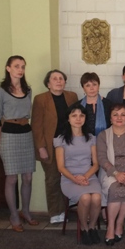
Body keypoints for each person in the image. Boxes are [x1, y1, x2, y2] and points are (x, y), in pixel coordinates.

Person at [0, 55, 37, 232]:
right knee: (11, 178)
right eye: (17, 66)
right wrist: (0, 143)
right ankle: (14, 215)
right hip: (9, 135)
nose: (20, 70)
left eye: (23, 66)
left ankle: (25, 211)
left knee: (28, 177)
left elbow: (29, 114)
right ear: (8, 68)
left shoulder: (28, 90)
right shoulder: (0, 92)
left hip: (26, 133)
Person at [32, 69, 78, 224]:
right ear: (48, 83)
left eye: (61, 78)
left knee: (67, 178)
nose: (59, 81)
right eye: (55, 79)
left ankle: (65, 210)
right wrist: (41, 147)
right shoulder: (40, 99)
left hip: (68, 144)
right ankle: (55, 212)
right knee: (52, 179)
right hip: (49, 146)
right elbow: (36, 125)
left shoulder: (72, 97)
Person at [53, 103, 102, 245]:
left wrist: (85, 177)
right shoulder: (60, 139)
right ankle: (84, 229)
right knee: (85, 198)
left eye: (81, 115)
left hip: (89, 176)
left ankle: (92, 227)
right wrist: (76, 179)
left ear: (85, 118)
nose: (78, 119)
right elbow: (61, 167)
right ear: (68, 119)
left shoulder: (91, 138)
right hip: (69, 178)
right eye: (74, 116)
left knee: (97, 198)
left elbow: (96, 164)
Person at [96, 104, 125, 245]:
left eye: (123, 114)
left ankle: (120, 222)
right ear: (110, 118)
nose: (119, 118)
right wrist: (116, 174)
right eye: (115, 115)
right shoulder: (103, 135)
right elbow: (102, 158)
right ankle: (111, 226)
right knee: (115, 188)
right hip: (110, 172)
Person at [79, 72, 111, 137]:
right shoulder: (78, 106)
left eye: (94, 84)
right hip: (83, 141)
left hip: (105, 140)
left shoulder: (108, 104)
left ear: (98, 86)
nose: (91, 88)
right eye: (88, 85)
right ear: (83, 88)